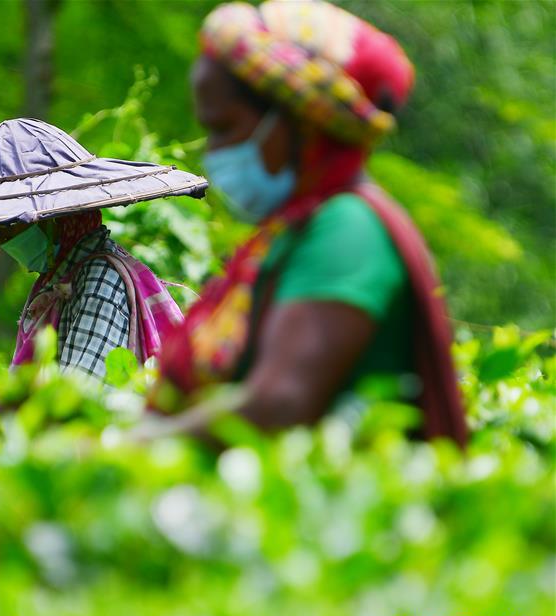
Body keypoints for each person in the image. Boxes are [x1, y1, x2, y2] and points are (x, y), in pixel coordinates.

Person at [150, 0, 467, 445]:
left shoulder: (349, 229)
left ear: (298, 122)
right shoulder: (287, 232)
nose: (213, 151)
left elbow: (278, 404)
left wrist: (112, 451)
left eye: (224, 127)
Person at [0, 117, 208, 379]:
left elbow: (76, 398)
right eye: (0, 226)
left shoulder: (98, 279)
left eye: (16, 224)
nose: (4, 239)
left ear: (58, 220)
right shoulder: (59, 280)